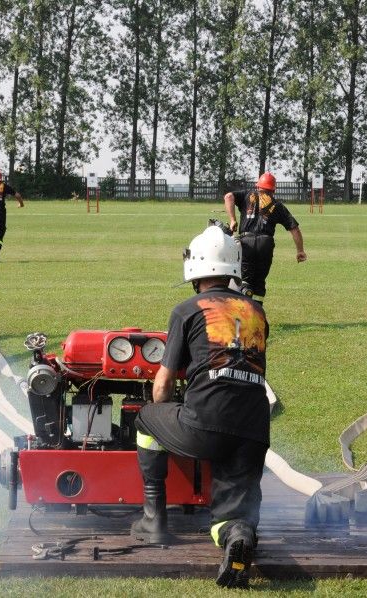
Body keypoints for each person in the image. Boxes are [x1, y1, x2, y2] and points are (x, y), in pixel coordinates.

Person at [131, 224, 270, 589]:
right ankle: (237, 537)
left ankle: (153, 519)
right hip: (254, 430)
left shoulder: (187, 310)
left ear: (195, 271)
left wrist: (167, 413)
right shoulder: (256, 311)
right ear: (233, 268)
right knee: (234, 513)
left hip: (205, 425)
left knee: (146, 419)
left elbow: (162, 387)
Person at [223, 172, 306, 303]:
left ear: (258, 186)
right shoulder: (277, 205)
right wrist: (300, 251)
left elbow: (228, 196)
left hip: (246, 241)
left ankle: (243, 303)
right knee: (259, 281)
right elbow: (294, 229)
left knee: (245, 279)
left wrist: (232, 220)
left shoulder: (246, 195)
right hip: (265, 243)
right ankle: (257, 312)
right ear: (273, 189)